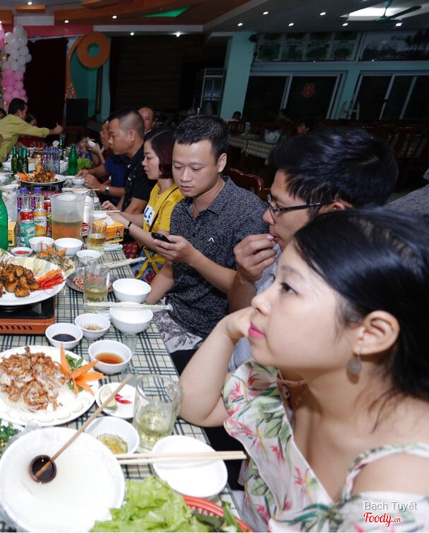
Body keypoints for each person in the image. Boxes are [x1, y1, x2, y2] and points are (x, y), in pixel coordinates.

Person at [179, 208, 429, 531]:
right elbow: (194, 407)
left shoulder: (401, 497)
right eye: (275, 280)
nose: (260, 301)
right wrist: (227, 329)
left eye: (288, 288)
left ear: (371, 333)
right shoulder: (294, 379)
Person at [227, 127, 398, 372]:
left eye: (279, 207)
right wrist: (244, 278)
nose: (267, 216)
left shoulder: (346, 304)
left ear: (334, 214)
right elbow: (241, 323)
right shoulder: (288, 244)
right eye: (270, 202)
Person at [145, 115, 267, 371]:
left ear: (221, 162)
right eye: (177, 166)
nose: (184, 177)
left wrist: (193, 258)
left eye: (196, 168)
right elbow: (169, 271)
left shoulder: (248, 213)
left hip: (208, 333)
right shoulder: (181, 208)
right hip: (170, 311)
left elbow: (247, 287)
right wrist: (138, 307)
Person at [111, 129, 183, 282]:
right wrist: (119, 215)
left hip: (158, 270)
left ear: (165, 158)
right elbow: (147, 219)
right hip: (144, 256)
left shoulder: (175, 198)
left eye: (148, 157)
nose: (143, 162)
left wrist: (127, 224)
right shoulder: (157, 187)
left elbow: (160, 242)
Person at [89, 108, 152, 216]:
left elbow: (134, 210)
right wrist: (114, 213)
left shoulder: (145, 163)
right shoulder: (130, 158)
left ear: (131, 135)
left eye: (113, 136)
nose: (110, 141)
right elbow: (127, 194)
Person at [0, 98, 63, 171]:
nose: (25, 116)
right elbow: (37, 131)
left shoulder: (7, 120)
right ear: (19, 112)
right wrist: (54, 131)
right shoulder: (15, 120)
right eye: (25, 112)